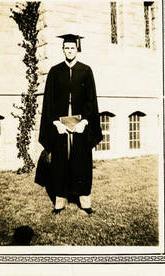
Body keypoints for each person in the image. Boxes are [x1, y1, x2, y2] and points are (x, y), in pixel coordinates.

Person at [38, 34, 102, 214]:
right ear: (63, 49)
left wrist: (85, 122)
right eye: (67, 48)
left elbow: (91, 100)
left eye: (73, 48)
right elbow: (49, 101)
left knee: (82, 160)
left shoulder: (86, 71)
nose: (70, 51)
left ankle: (84, 200)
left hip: (81, 124)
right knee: (60, 161)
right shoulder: (55, 71)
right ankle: (60, 200)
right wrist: (56, 122)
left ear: (77, 49)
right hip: (60, 124)